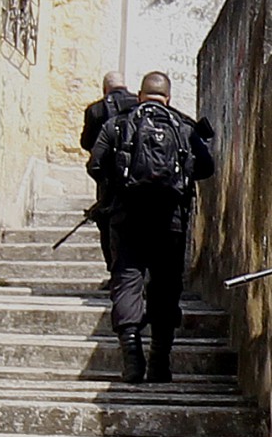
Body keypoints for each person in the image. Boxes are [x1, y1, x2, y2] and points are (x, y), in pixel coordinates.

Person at [87, 71, 215, 384]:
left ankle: (132, 360)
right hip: (170, 221)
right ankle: (160, 363)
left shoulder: (118, 123)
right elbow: (207, 166)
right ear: (168, 98)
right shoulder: (183, 126)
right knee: (166, 286)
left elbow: (94, 163)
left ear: (141, 95)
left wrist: (116, 186)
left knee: (127, 281)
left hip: (127, 218)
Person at [79, 72, 139, 277]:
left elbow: (86, 143)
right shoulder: (139, 105)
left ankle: (114, 271)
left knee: (107, 224)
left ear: (105, 89)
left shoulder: (95, 110)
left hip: (108, 180)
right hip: (138, 177)